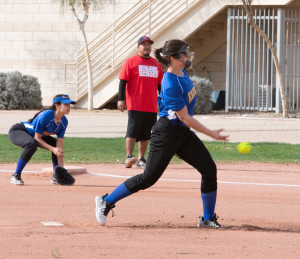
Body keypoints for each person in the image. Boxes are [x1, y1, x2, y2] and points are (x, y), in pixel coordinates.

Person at [95, 39, 229, 228]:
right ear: (172, 58)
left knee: (209, 169)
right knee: (148, 178)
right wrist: (211, 133)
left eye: (187, 52)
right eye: (184, 53)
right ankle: (105, 201)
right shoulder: (170, 82)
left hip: (181, 132)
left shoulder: (182, 73)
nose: (188, 56)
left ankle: (207, 218)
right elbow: (185, 117)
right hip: (166, 132)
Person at [8, 94, 76, 185]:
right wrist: (53, 149)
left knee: (55, 146)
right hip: (18, 131)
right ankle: (16, 175)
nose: (69, 107)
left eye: (69, 104)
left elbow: (59, 146)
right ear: (57, 106)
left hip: (35, 136)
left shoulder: (64, 122)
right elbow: (37, 138)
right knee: (31, 144)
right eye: (66, 104)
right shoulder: (46, 116)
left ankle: (56, 176)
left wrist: (61, 171)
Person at [117, 36, 163, 168]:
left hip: (151, 105)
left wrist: (163, 101)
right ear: (138, 47)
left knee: (146, 132)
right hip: (135, 103)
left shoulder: (156, 64)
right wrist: (121, 99)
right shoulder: (131, 62)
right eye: (144, 45)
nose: (147, 47)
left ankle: (141, 158)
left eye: (149, 45)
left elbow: (160, 86)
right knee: (133, 130)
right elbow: (123, 81)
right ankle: (129, 156)